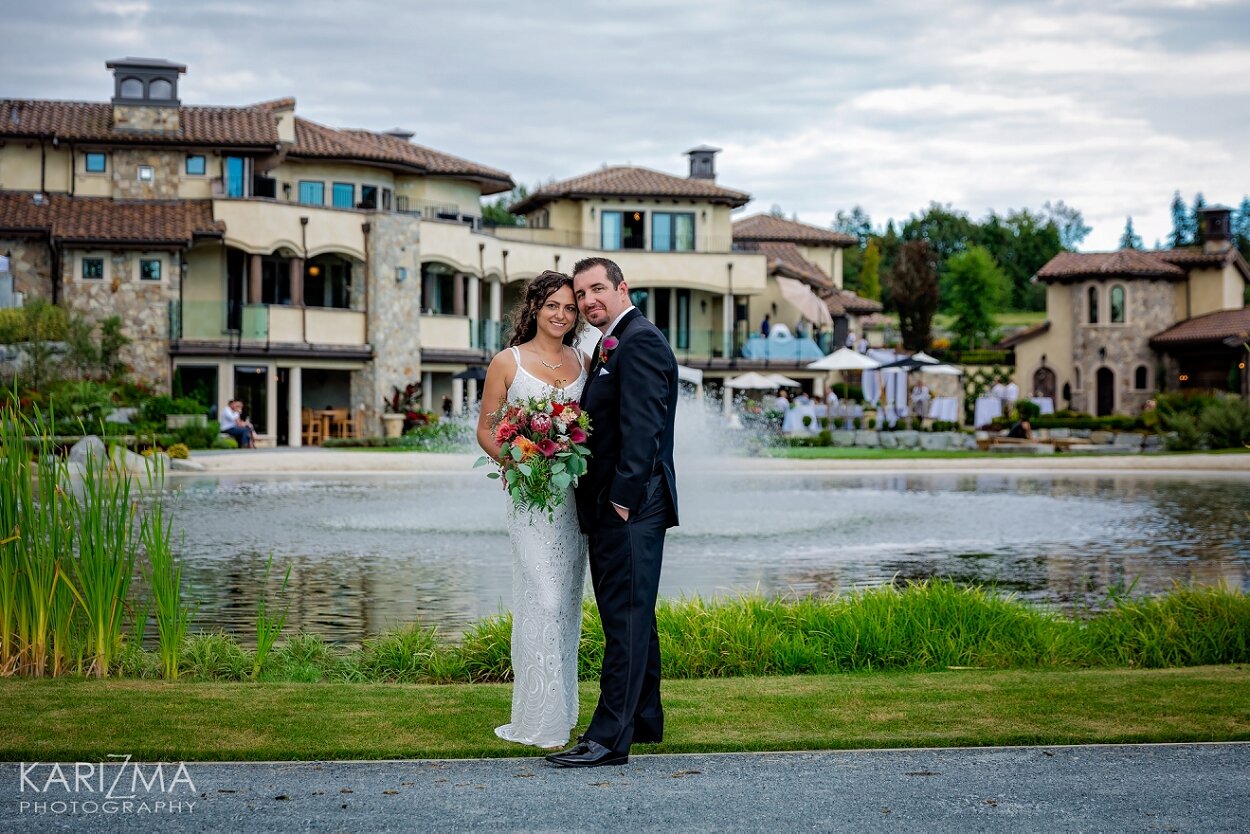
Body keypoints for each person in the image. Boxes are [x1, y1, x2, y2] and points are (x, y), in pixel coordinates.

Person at [548, 256, 678, 769]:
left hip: (631, 507)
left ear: (623, 288)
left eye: (597, 289)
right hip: (622, 506)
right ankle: (644, 719)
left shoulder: (639, 341)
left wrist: (622, 500)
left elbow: (643, 429)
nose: (588, 301)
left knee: (624, 620)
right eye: (581, 295)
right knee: (633, 616)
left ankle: (607, 739)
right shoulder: (609, 344)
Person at [476, 271, 589, 751]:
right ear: (535, 308)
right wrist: (517, 463)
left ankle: (560, 714)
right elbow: (486, 430)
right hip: (528, 500)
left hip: (574, 503)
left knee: (563, 605)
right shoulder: (508, 362)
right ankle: (538, 718)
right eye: (552, 306)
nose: (561, 315)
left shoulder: (584, 360)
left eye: (569, 307)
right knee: (541, 598)